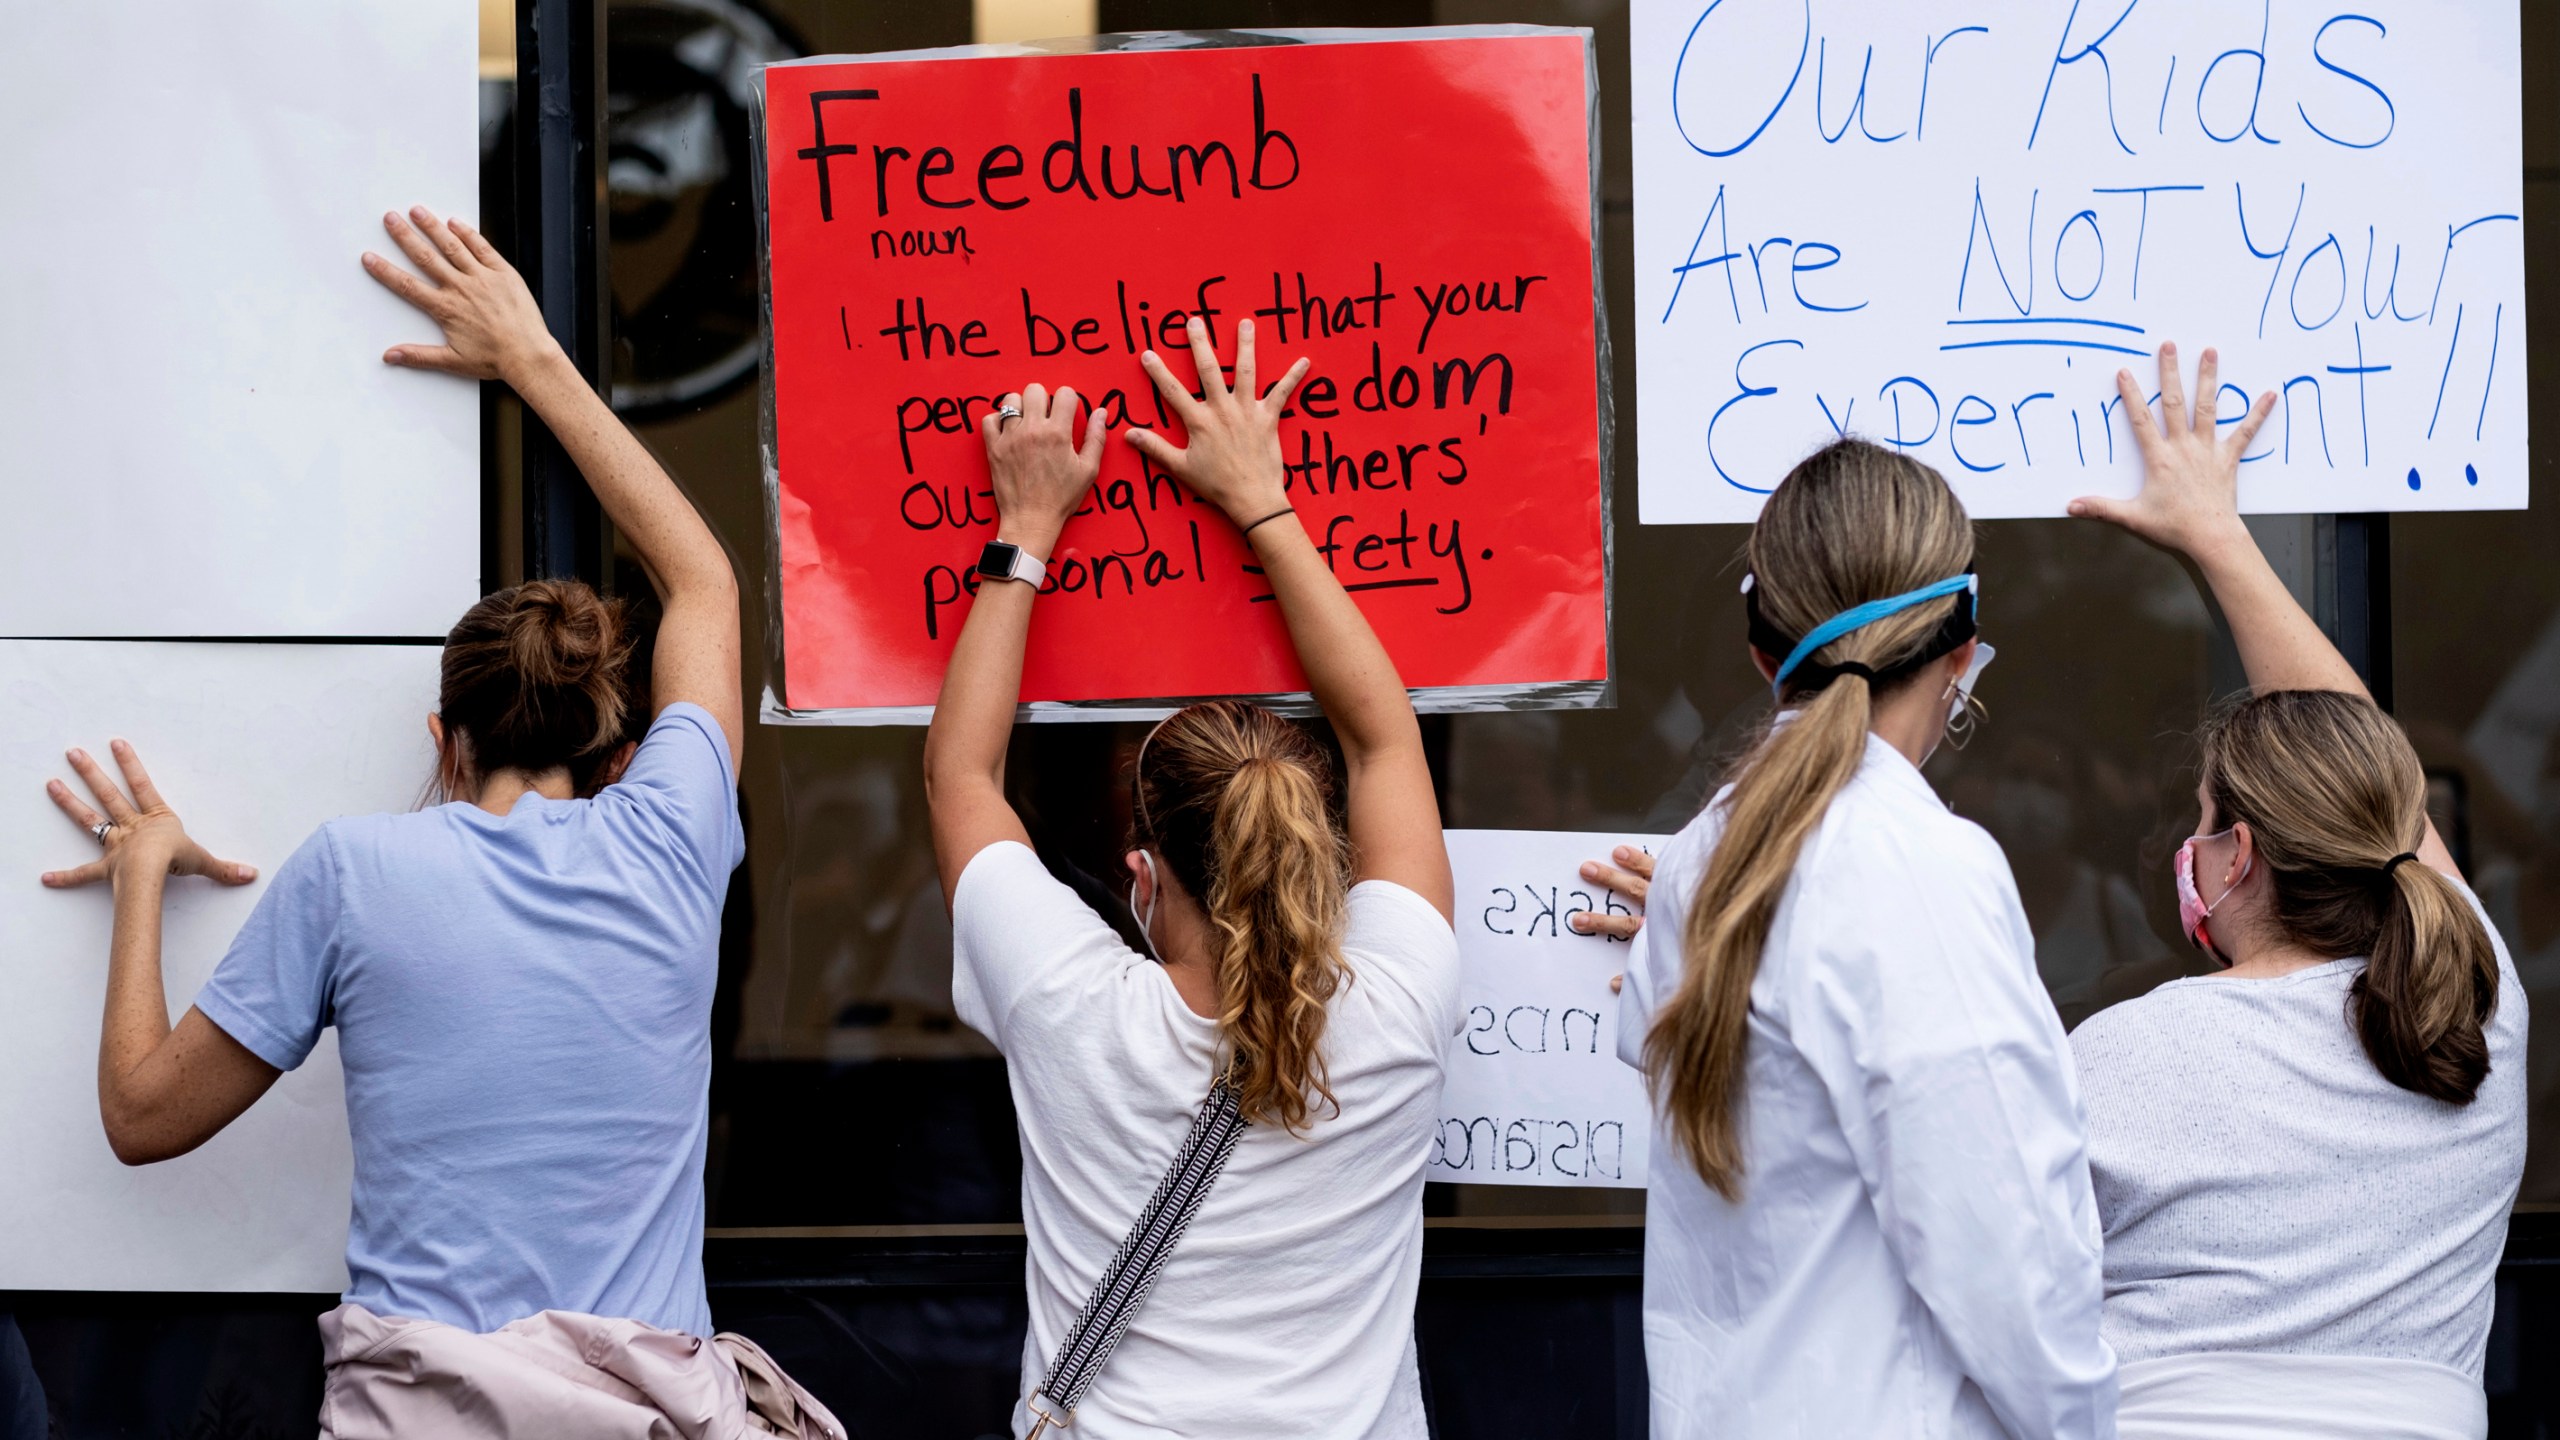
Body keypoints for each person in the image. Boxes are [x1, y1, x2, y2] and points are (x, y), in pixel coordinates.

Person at [39, 207, 837, 1439]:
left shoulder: (357, 872)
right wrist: (532, 357)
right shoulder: (673, 831)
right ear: (619, 752)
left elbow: (143, 1119)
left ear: (441, 739)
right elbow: (704, 579)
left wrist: (143, 868)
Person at [924, 316, 1458, 1439]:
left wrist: (1026, 526)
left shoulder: (1068, 1005)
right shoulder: (1396, 1009)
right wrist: (1260, 501)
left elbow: (962, 775)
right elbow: (1387, 742)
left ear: (1139, 872)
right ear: (1314, 847)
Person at [1592, 438, 2117, 1438]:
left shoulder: (1703, 860)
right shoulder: (1918, 868)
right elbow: (2002, 1247)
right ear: (1963, 647)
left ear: (1759, 656)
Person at [2066, 344, 2526, 1439]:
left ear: (2238, 857)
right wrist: (2222, 537)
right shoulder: (2474, 1013)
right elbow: (2365, 770)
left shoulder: (2118, 1057)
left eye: (2200, 816)